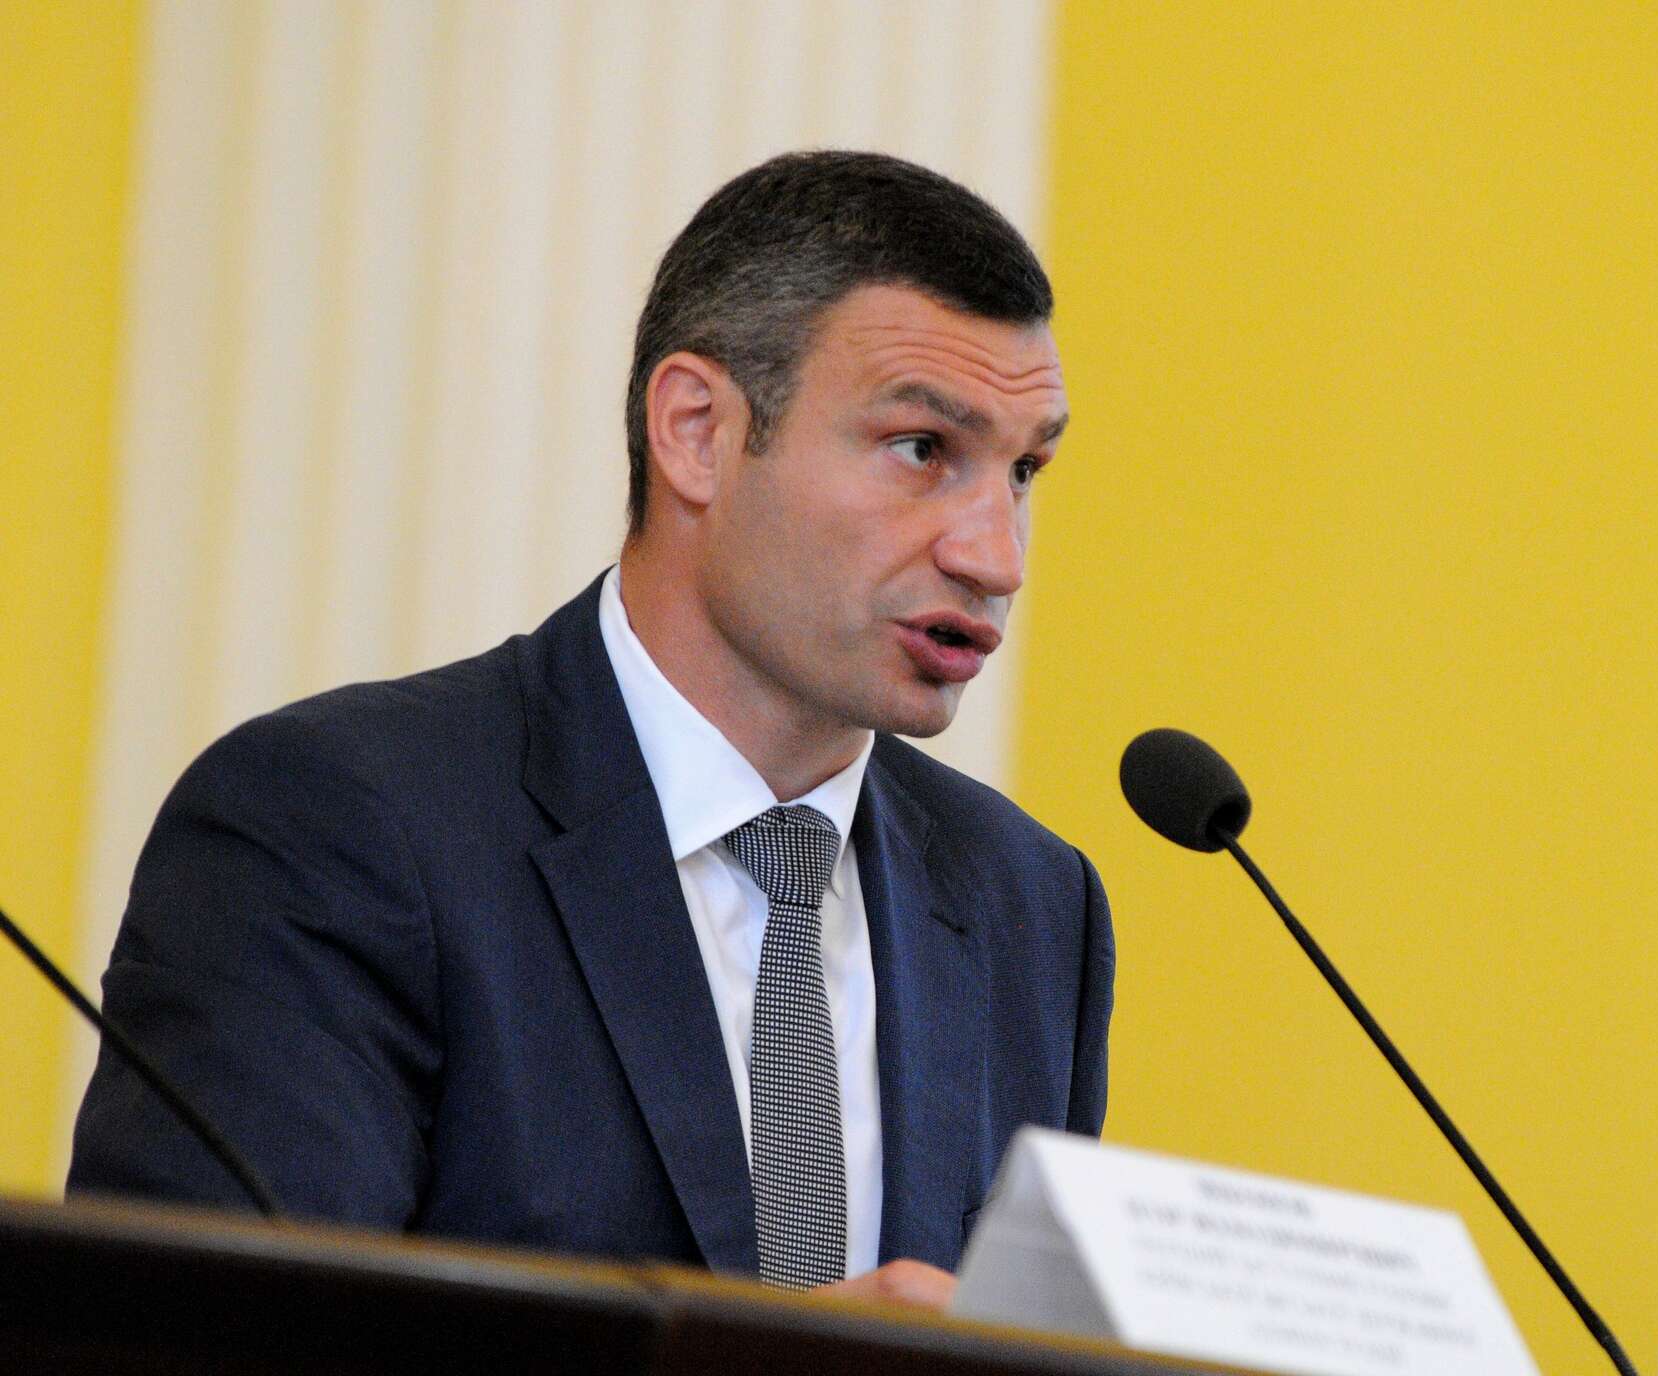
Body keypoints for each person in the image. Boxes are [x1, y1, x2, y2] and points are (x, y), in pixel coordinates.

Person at [69, 151, 1114, 1311]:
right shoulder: (333, 825)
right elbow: (196, 1339)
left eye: (1023, 469)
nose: (994, 556)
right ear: (696, 431)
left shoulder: (1029, 904)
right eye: (923, 449)